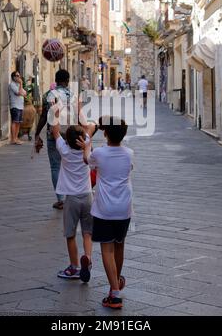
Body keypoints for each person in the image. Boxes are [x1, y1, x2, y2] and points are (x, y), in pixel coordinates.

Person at [77, 116, 133, 309]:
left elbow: (87, 159)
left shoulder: (99, 154)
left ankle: (115, 294)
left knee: (107, 249)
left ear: (106, 133)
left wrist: (87, 143)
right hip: (124, 208)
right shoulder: (129, 153)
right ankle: (115, 284)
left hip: (104, 209)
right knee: (119, 246)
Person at [53, 112, 97, 282]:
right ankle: (88, 258)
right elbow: (91, 127)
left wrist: (55, 114)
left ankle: (74, 266)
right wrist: (87, 130)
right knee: (87, 232)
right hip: (87, 196)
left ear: (67, 140)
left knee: (70, 234)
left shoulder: (64, 150)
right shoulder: (87, 149)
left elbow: (55, 130)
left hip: (71, 199)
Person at [34, 69, 72, 210]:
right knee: (69, 166)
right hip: (70, 134)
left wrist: (37, 134)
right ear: (67, 80)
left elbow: (44, 116)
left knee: (56, 167)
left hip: (53, 133)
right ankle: (70, 196)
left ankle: (60, 199)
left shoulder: (48, 95)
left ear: (56, 81)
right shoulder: (73, 95)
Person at [8, 71, 27, 145]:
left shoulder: (18, 85)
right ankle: (13, 139)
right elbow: (18, 93)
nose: (18, 77)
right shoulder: (12, 85)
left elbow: (25, 93)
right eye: (17, 75)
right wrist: (21, 84)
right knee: (14, 121)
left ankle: (16, 138)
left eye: (19, 75)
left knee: (18, 123)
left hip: (20, 106)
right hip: (15, 105)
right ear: (13, 77)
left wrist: (21, 89)